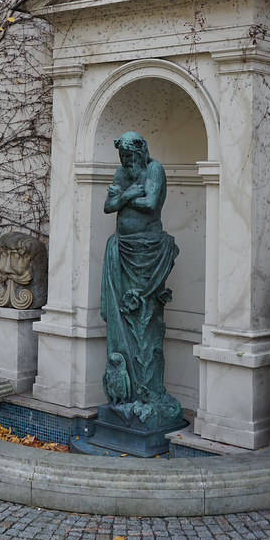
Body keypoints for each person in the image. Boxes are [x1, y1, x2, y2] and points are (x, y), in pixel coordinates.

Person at [101, 131, 181, 426]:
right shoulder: (123, 173)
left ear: (141, 152)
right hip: (122, 252)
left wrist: (124, 197)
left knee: (147, 323)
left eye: (130, 156)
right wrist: (130, 194)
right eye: (123, 157)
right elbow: (108, 206)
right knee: (124, 318)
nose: (126, 162)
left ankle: (150, 394)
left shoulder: (155, 169)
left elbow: (151, 204)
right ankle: (128, 394)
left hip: (149, 253)